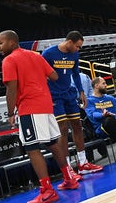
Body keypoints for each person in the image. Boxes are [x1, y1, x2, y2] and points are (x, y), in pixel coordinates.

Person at [0, 30, 79, 203]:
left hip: (30, 107)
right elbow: (54, 76)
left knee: (32, 148)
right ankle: (69, 178)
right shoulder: (35, 56)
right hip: (46, 105)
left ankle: (47, 190)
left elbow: (11, 89)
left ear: (12, 43)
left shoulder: (9, 60)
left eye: (0, 43)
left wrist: (11, 113)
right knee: (52, 143)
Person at [41, 31, 103, 179]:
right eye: (77, 46)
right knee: (62, 129)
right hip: (54, 95)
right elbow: (41, 74)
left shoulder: (74, 55)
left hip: (69, 92)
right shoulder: (48, 53)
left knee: (77, 125)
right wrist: (45, 95)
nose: (78, 49)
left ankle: (83, 163)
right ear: (69, 42)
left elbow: (75, 73)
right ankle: (67, 169)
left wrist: (81, 91)